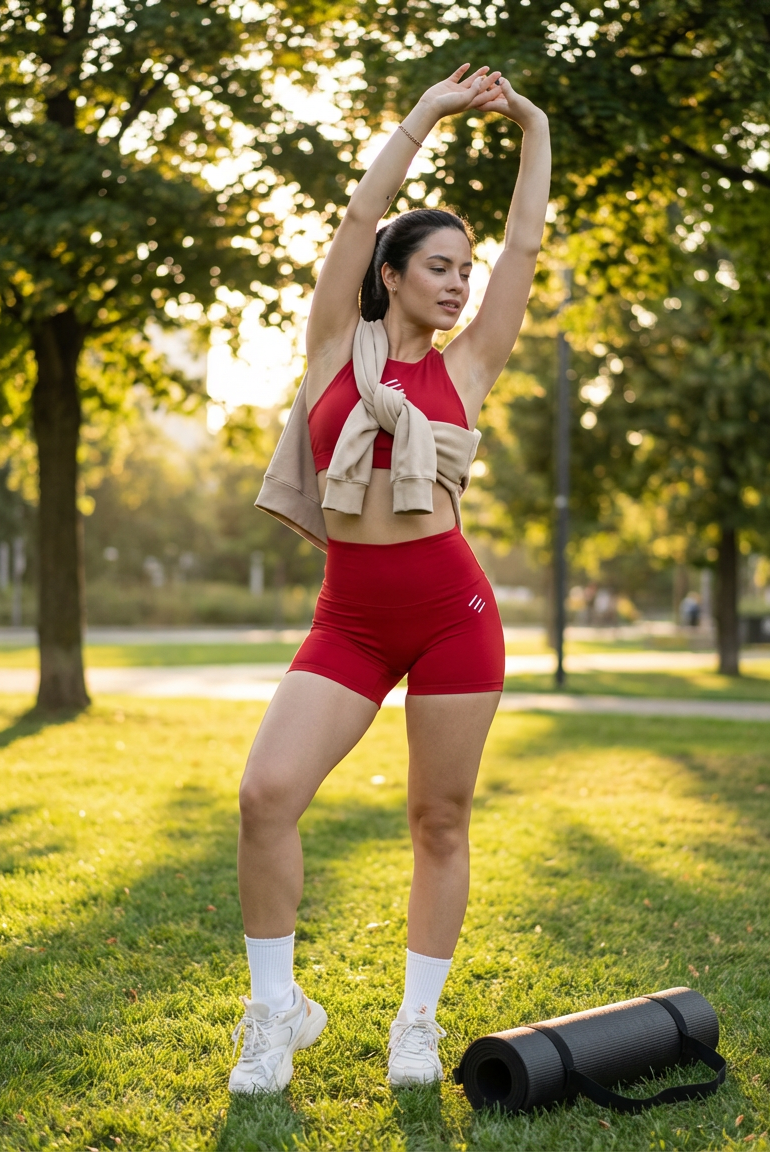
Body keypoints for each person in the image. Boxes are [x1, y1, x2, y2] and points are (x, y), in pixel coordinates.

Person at [229, 63, 551, 1094]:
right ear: (395, 272)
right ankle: (276, 1012)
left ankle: (416, 1022)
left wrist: (531, 126)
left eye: (467, 267)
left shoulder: (466, 368)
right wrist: (423, 117)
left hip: (454, 616)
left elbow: (527, 248)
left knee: (438, 820)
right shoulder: (332, 346)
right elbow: (363, 210)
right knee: (266, 793)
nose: (461, 282)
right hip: (352, 621)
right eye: (442, 266)